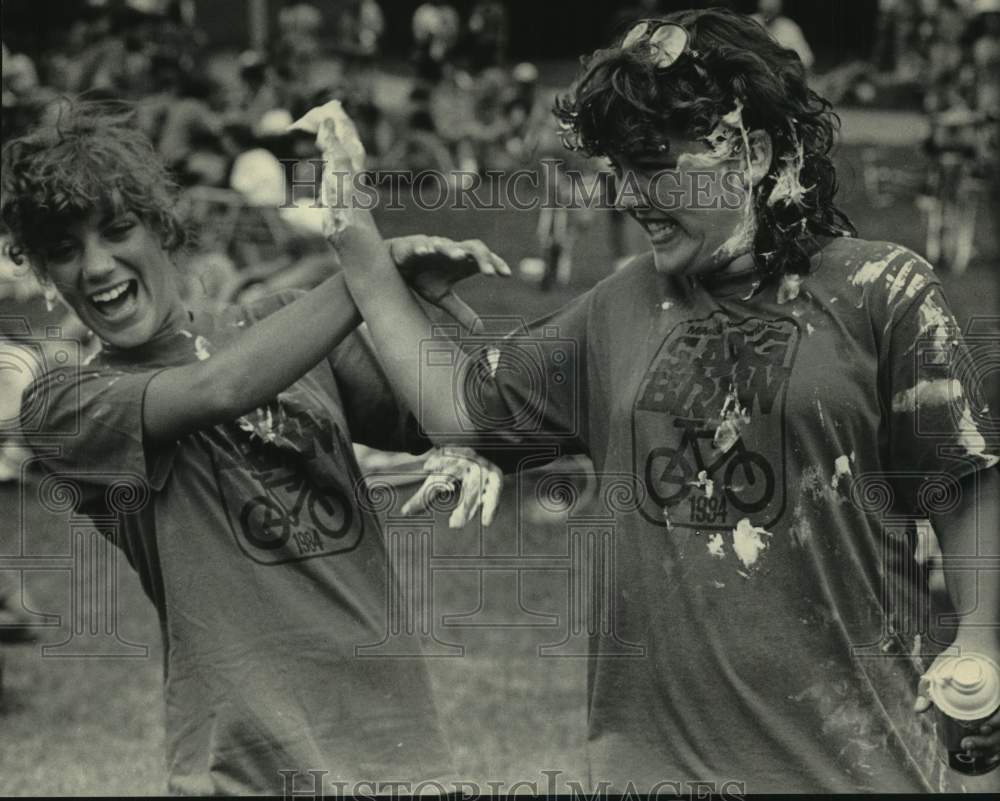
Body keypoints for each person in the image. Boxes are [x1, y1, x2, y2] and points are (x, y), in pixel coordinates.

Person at [328, 8, 1000, 793]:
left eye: (653, 163)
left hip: (850, 769)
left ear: (752, 152)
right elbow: (458, 405)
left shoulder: (883, 290)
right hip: (648, 771)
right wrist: (363, 248)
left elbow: (965, 478)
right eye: (618, 167)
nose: (629, 195)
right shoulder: (620, 305)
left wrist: (982, 641)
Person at [0, 101, 507, 794]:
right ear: (45, 273)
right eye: (62, 248)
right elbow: (219, 388)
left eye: (118, 229)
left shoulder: (276, 324)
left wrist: (398, 300)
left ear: (161, 226)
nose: (95, 265)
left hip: (394, 745)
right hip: (243, 763)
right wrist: (364, 268)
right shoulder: (66, 404)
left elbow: (455, 417)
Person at [752, 0, 815, 71]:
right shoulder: (748, 24)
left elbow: (806, 61)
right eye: (766, 6)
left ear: (779, 8)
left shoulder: (790, 28)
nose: (768, 10)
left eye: (772, 8)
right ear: (759, 4)